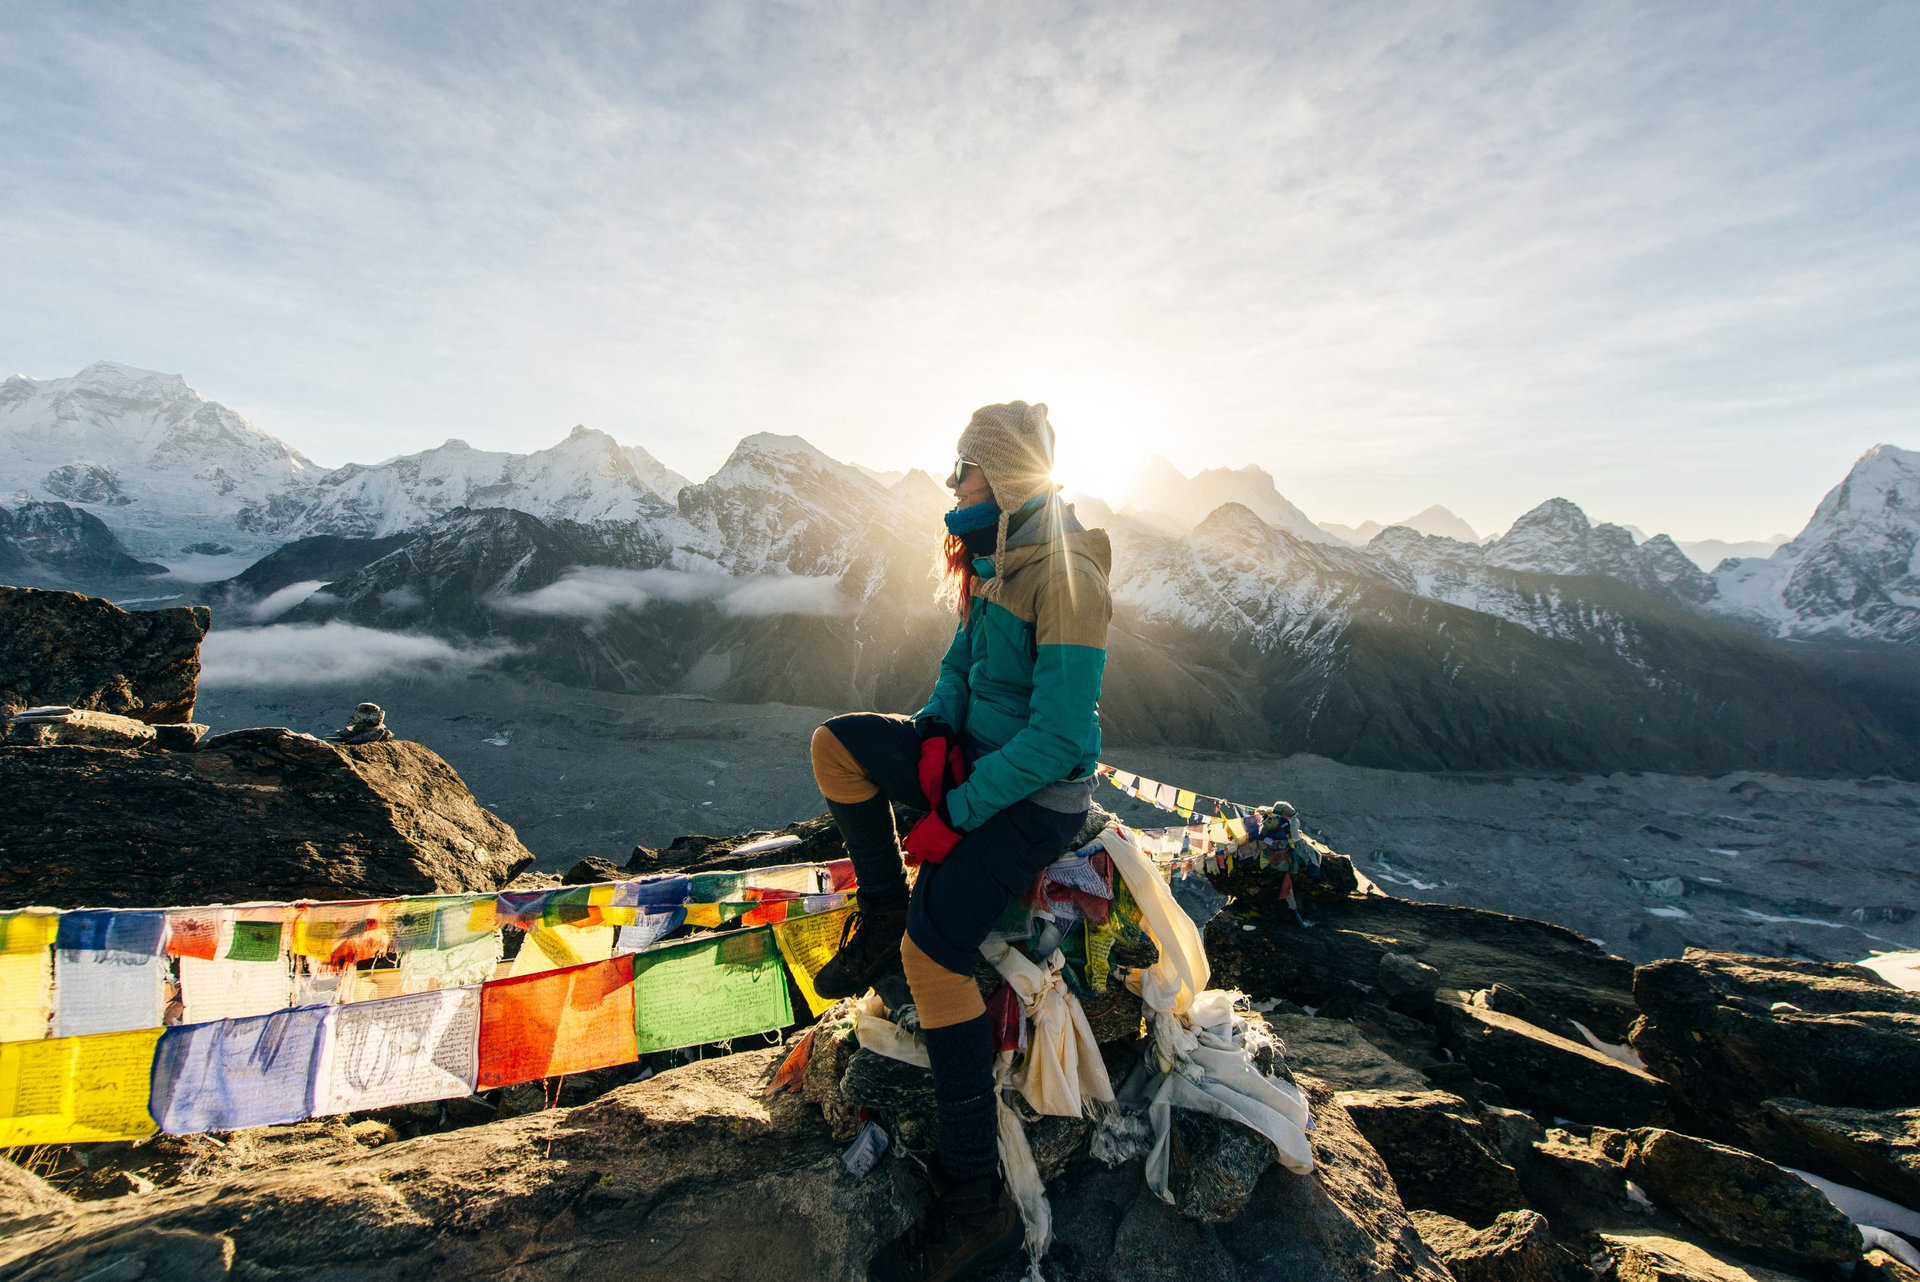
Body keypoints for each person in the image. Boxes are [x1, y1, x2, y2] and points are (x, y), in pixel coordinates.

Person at [807, 401, 1112, 1281]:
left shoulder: (1067, 571)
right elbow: (957, 671)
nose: (950, 483)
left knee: (936, 955)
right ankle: (879, 910)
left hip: (1035, 794)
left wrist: (957, 810)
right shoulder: (991, 556)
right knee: (839, 747)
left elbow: (1058, 738)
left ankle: (974, 1203)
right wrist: (933, 734)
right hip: (978, 762)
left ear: (1007, 476)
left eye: (963, 468)